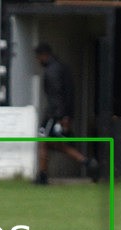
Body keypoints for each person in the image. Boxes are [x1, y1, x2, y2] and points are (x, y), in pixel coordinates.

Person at [34, 43, 99, 185]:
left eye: (38, 58)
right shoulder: (63, 67)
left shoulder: (52, 71)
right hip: (62, 113)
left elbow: (56, 95)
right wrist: (68, 115)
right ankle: (87, 163)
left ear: (43, 56)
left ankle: (42, 176)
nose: (38, 61)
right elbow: (69, 93)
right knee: (56, 144)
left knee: (43, 141)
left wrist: (61, 117)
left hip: (53, 114)